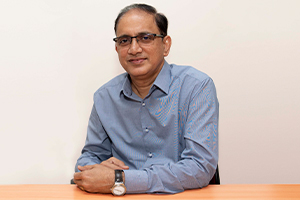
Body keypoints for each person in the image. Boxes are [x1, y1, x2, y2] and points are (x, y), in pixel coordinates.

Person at [73, 3, 219, 195]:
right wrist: (96, 167)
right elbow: (88, 159)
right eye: (124, 41)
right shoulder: (104, 97)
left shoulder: (196, 87)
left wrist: (120, 180)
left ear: (165, 45)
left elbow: (200, 168)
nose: (134, 49)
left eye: (145, 38)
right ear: (117, 48)